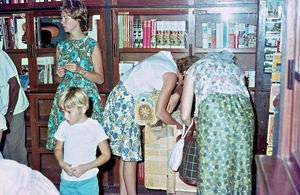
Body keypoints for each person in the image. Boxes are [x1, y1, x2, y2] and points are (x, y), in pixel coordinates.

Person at [103, 51, 190, 195]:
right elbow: (160, 112)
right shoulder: (171, 76)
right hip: (126, 104)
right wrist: (182, 128)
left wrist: (177, 92)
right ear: (185, 74)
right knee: (130, 157)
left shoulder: (167, 61)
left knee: (126, 156)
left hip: (117, 98)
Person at [180, 50, 254, 194]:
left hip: (214, 113)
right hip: (244, 114)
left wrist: (192, 126)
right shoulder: (236, 69)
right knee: (240, 167)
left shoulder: (194, 68)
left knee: (213, 168)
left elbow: (184, 114)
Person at [47, 0, 105, 150]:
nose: (62, 22)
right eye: (62, 18)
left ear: (78, 19)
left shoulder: (92, 45)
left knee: (87, 147)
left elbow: (100, 79)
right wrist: (59, 74)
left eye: (66, 18)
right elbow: (58, 79)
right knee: (66, 147)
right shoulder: (61, 46)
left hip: (85, 100)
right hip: (65, 100)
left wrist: (80, 70)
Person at [54, 87, 111, 195]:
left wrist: (86, 167)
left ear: (83, 108)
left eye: (69, 112)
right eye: (63, 112)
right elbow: (57, 148)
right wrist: (61, 163)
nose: (65, 116)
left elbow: (106, 154)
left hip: (88, 181)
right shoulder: (63, 126)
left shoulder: (94, 126)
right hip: (67, 181)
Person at [0, 50, 29, 165]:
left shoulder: (0, 57)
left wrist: (10, 112)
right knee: (5, 154)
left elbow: (14, 85)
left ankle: (24, 181)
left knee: (15, 152)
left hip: (13, 108)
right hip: (2, 111)